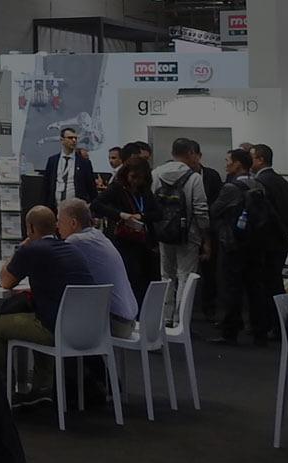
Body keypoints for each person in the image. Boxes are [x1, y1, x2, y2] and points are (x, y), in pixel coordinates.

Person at [0, 206, 98, 407]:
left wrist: (24, 245)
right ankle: (42, 386)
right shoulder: (72, 249)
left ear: (30, 228)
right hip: (87, 329)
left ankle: (2, 391)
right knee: (38, 315)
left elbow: (5, 282)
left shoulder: (32, 250)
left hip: (55, 329)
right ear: (55, 226)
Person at [208, 148, 270, 344]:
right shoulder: (259, 185)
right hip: (255, 244)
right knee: (255, 289)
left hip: (233, 244)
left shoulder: (230, 188)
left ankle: (230, 332)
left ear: (237, 164)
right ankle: (260, 332)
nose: (226, 164)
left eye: (228, 161)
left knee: (231, 288)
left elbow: (214, 210)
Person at [59, 199, 140, 338]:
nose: (57, 226)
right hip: (129, 319)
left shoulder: (76, 241)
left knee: (55, 317)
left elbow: (55, 270)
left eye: (59, 221)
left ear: (73, 223)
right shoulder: (98, 236)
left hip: (114, 323)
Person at [152, 138, 212, 315]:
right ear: (191, 153)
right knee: (185, 276)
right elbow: (201, 211)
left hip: (163, 232)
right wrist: (206, 240)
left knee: (166, 276)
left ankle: (166, 317)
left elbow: (150, 205)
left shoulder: (156, 174)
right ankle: (181, 318)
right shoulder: (194, 178)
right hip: (188, 234)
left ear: (173, 153)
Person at [92, 158, 161, 302]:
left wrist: (141, 216)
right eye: (133, 177)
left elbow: (158, 213)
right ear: (126, 174)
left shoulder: (144, 190)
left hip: (144, 242)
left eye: (140, 178)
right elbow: (96, 205)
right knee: (131, 278)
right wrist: (120, 215)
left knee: (146, 280)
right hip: (123, 241)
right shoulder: (117, 188)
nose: (136, 181)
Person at [250, 143, 288, 337]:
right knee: (276, 282)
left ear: (261, 159)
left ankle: (274, 325)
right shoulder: (282, 182)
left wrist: (282, 232)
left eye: (252, 157)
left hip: (267, 242)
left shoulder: (259, 183)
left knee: (267, 285)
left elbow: (268, 215)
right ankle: (279, 325)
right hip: (282, 242)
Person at [41, 128, 97, 210]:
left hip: (77, 209)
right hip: (55, 207)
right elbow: (46, 185)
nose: (74, 140)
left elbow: (91, 188)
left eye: (75, 138)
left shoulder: (84, 163)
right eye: (70, 138)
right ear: (62, 140)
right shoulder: (53, 160)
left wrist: (94, 210)